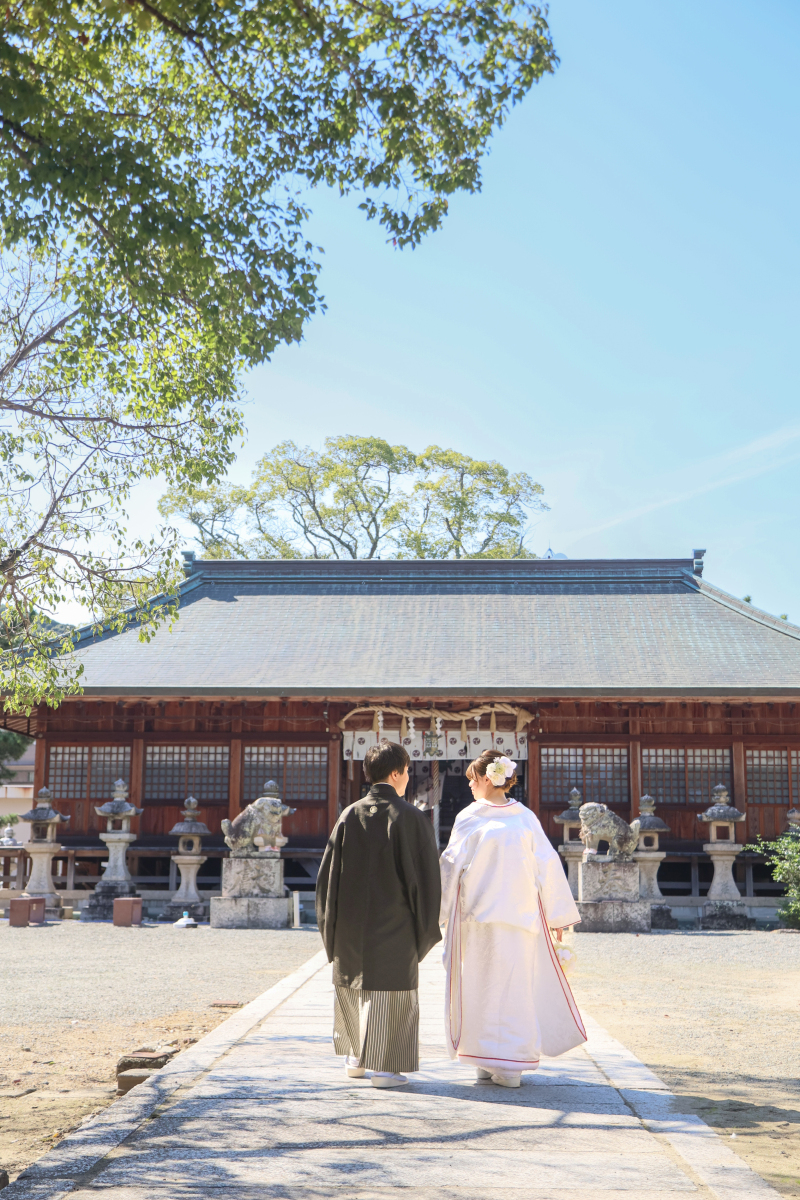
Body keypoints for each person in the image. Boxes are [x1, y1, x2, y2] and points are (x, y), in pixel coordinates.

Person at [439, 749, 586, 1088]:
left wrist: (557, 916)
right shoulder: (479, 816)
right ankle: (482, 1056)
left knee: (513, 987)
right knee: (481, 987)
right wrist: (443, 912)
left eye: (473, 780)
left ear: (488, 778)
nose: (471, 787)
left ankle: (510, 1063)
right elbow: (450, 865)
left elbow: (546, 863)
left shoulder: (521, 817)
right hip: (481, 922)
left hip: (511, 918)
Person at [316, 738, 442, 1088]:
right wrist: (425, 927)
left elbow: (327, 878)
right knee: (393, 987)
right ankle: (386, 1068)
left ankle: (354, 1058)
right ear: (398, 774)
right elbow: (426, 881)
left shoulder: (348, 815)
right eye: (406, 772)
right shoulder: (411, 817)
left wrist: (330, 923)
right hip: (396, 921)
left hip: (351, 921)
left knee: (353, 981)